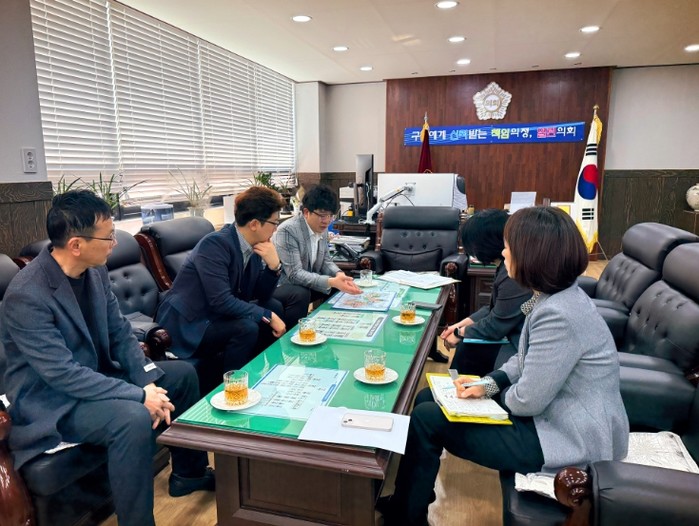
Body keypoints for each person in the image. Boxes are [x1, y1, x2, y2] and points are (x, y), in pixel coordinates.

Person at [378, 206, 629, 526]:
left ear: (531, 256)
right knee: (429, 398)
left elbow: (527, 401)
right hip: (550, 417)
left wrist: (490, 400)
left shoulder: (559, 315)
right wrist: (487, 384)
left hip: (564, 438)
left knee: (427, 419)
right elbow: (524, 361)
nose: (504, 252)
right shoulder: (551, 298)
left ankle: (406, 517)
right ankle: (408, 501)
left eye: (509, 247)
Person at [0, 190, 214, 526]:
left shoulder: (95, 271)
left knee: (182, 375)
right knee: (131, 417)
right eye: (108, 236)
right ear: (76, 244)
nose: (114, 243)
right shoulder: (26, 294)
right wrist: (139, 395)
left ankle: (189, 474)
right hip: (53, 400)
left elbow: (119, 332)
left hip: (97, 377)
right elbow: (62, 374)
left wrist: (146, 380)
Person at [156, 186, 286, 393]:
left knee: (273, 305)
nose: (275, 229)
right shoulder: (215, 245)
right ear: (254, 224)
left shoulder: (254, 246)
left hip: (215, 315)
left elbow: (260, 295)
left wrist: (274, 267)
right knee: (248, 327)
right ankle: (233, 390)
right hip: (190, 323)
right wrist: (268, 316)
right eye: (274, 223)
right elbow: (221, 301)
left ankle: (261, 375)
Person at [440, 209, 532, 376]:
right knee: (466, 346)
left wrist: (460, 333)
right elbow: (494, 309)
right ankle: (453, 385)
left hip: (518, 342)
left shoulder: (515, 274)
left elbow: (496, 325)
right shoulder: (505, 266)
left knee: (467, 348)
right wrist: (459, 326)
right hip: (511, 332)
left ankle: (455, 387)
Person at [272, 184, 361, 328]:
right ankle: (294, 334)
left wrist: (339, 274)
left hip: (305, 282)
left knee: (339, 284)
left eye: (330, 215)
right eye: (322, 215)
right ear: (306, 212)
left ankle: (329, 326)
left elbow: (325, 260)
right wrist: (331, 281)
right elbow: (294, 274)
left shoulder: (321, 227)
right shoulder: (288, 231)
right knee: (303, 292)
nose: (327, 220)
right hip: (282, 285)